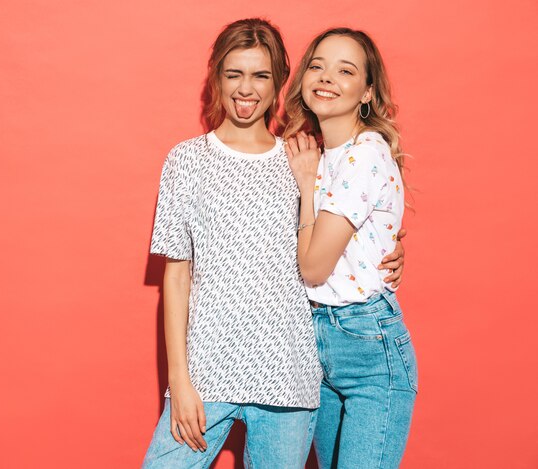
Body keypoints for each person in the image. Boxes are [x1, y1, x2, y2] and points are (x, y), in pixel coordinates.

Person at [143, 19, 405, 469]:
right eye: (234, 74)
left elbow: (357, 225)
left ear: (280, 81)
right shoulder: (185, 160)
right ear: (216, 80)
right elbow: (177, 276)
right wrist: (179, 382)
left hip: (291, 377)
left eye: (261, 75)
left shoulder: (305, 158)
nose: (247, 89)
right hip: (207, 374)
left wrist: (395, 250)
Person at [284, 28, 418, 469]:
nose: (327, 77)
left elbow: (314, 267)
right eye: (318, 66)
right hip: (314, 339)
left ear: (367, 92)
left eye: (346, 70)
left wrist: (306, 186)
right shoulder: (318, 154)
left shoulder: (365, 153)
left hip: (366, 345)